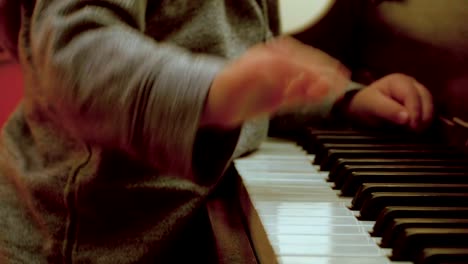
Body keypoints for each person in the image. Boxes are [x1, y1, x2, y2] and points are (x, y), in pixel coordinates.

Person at [0, 0, 433, 263]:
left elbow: (241, 57)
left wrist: (345, 98)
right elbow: (75, 54)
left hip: (179, 225)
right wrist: (216, 91)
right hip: (83, 240)